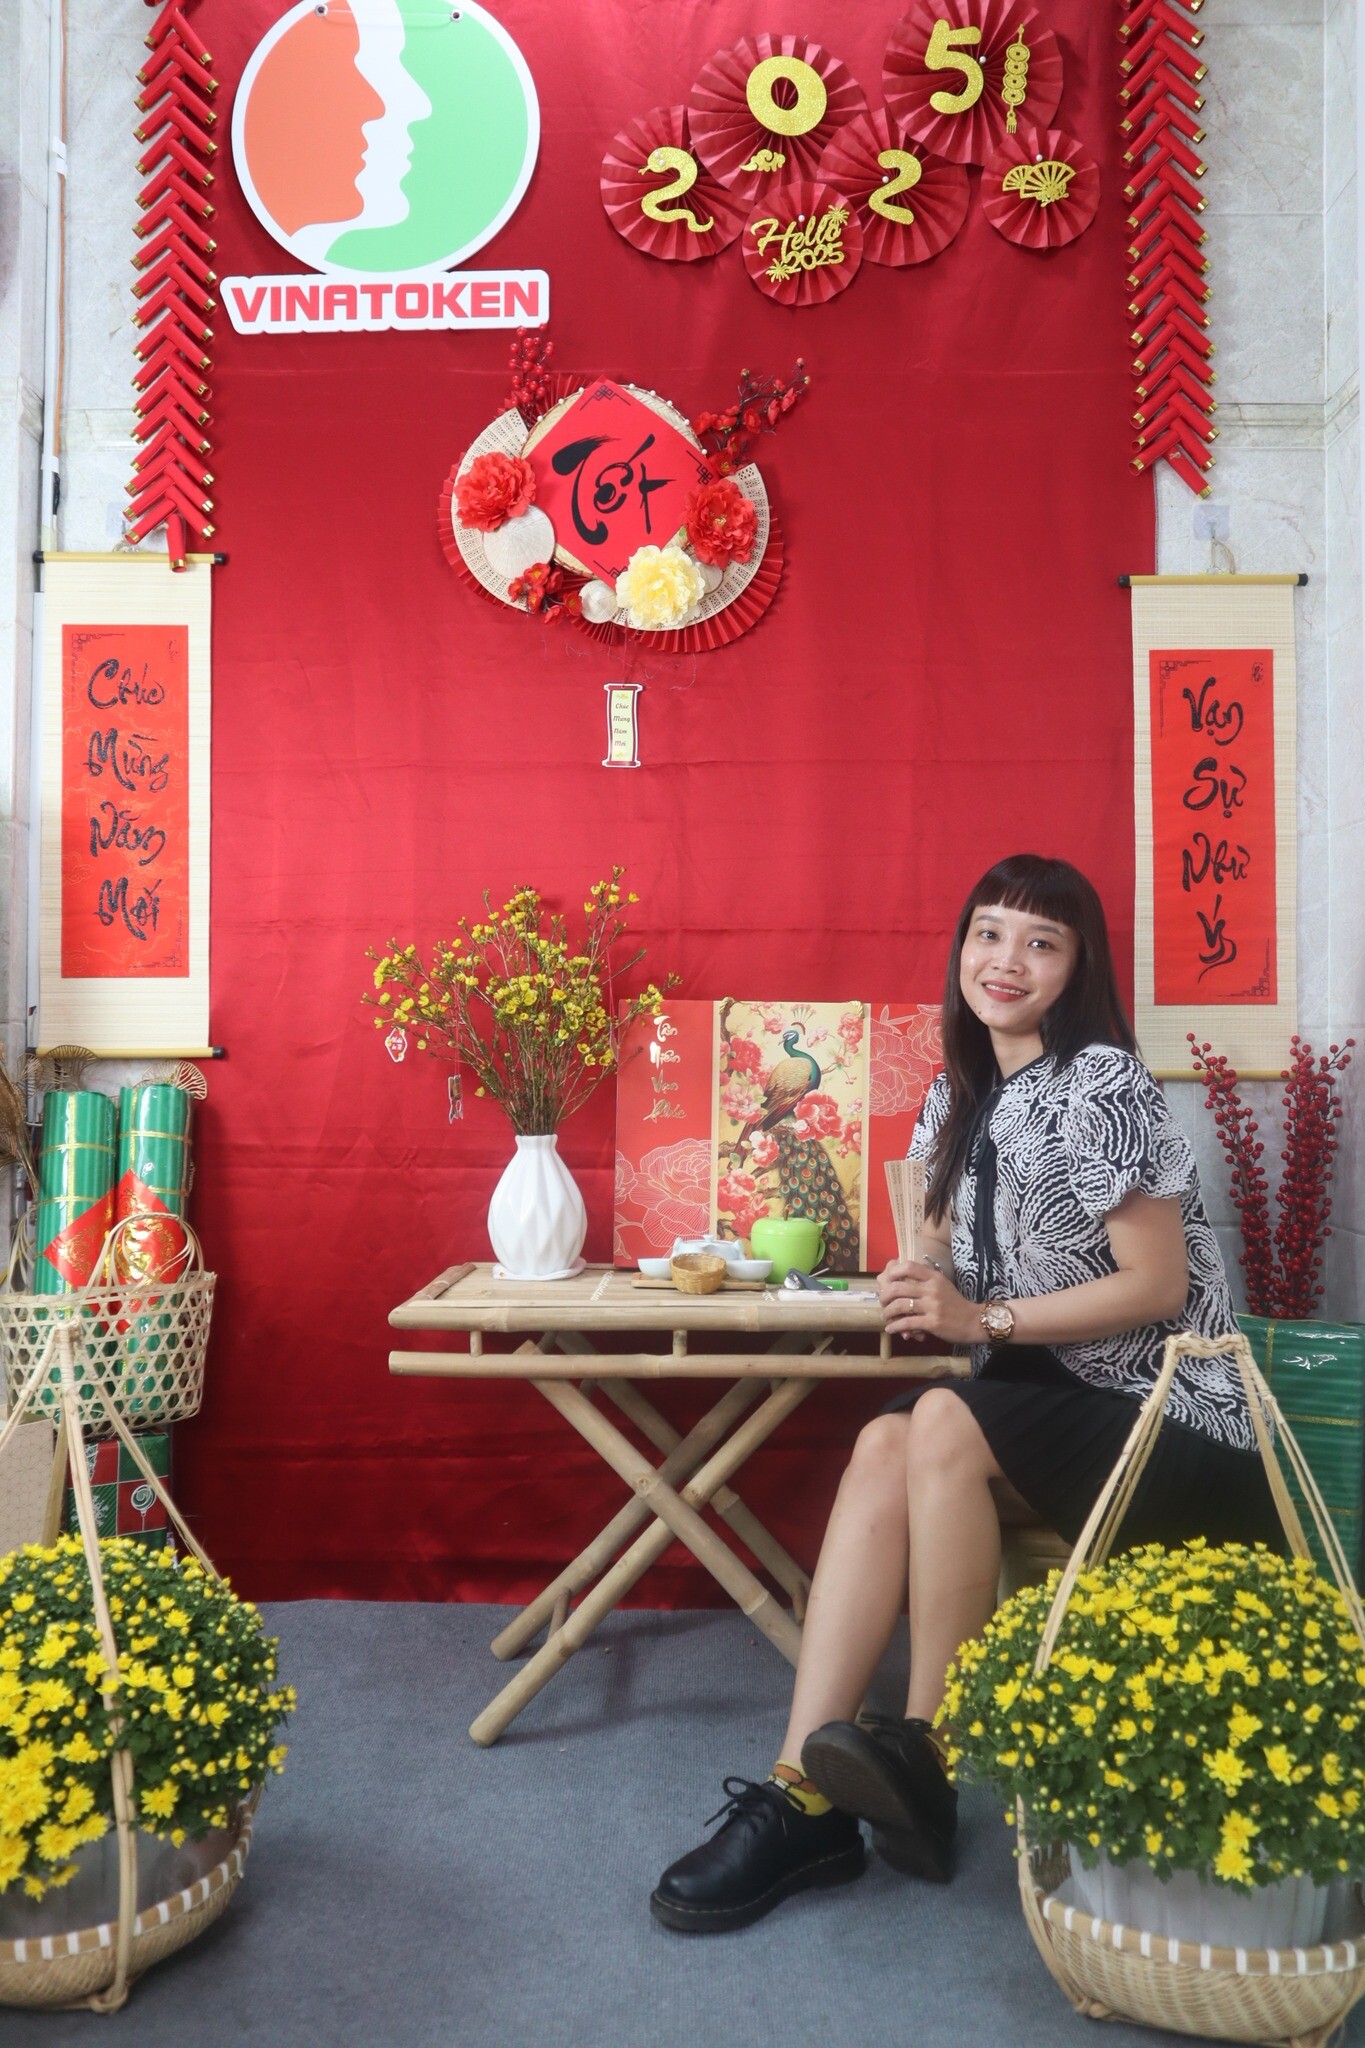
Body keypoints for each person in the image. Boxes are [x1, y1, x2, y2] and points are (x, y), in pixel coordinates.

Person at [650, 853, 1282, 1934]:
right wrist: (922, 1280)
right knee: (882, 1444)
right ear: (961, 948)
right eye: (988, 932)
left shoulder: (1103, 1082)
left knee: (938, 1417)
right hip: (1047, 1411)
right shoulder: (957, 1092)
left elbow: (1159, 1286)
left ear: (1079, 967)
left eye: (1041, 942)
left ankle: (927, 1751)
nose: (1006, 960)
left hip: (1177, 1423)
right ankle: (802, 1792)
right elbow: (948, 1257)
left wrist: (977, 1320)